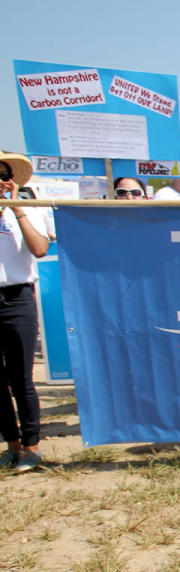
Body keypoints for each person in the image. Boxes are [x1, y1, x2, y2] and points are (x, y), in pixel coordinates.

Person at [0, 151, 51, 474]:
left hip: (17, 299)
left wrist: (16, 207)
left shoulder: (28, 210)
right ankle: (12, 445)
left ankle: (32, 446)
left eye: (5, 175)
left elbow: (39, 248)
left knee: (22, 378)